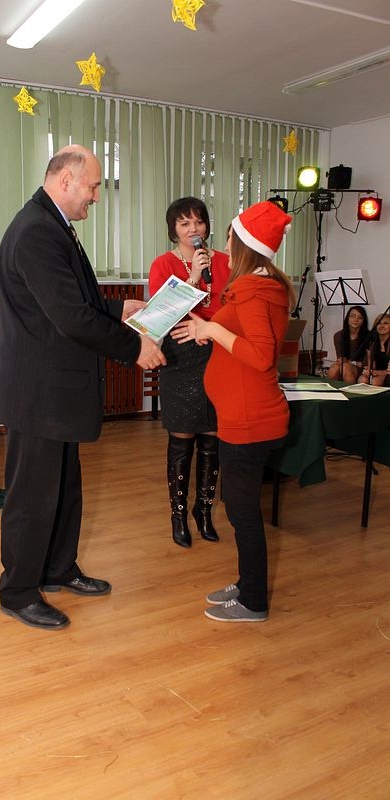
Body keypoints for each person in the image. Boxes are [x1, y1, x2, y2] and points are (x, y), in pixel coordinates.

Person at [0, 144, 166, 630]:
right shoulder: (35, 232)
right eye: (92, 186)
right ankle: (18, 591)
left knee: (64, 488)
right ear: (65, 180)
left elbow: (71, 301)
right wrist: (134, 348)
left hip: (56, 391)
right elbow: (69, 317)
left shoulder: (52, 223)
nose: (96, 196)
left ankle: (58, 568)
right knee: (32, 497)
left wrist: (119, 308)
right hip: (38, 393)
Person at [172, 200, 295, 622]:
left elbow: (260, 355)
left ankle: (253, 602)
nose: (223, 244)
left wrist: (212, 328)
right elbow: (243, 338)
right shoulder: (257, 285)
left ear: (244, 244)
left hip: (250, 419)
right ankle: (247, 583)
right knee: (241, 511)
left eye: (230, 237)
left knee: (243, 514)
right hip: (243, 415)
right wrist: (210, 331)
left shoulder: (254, 289)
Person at [148, 197, 230, 548]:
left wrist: (209, 328)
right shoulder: (163, 264)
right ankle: (178, 514)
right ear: (173, 230)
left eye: (198, 221)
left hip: (217, 352)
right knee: (182, 438)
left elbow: (232, 307)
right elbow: (159, 318)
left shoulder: (226, 261)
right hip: (180, 355)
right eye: (184, 223)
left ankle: (204, 510)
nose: (193, 228)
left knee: (212, 437)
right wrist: (193, 276)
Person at [327, 305, 369, 384]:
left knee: (346, 367)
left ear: (364, 321)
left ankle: (351, 391)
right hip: (345, 365)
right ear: (347, 318)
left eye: (360, 317)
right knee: (334, 368)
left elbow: (365, 363)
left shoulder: (369, 337)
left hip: (361, 369)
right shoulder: (339, 335)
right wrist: (342, 360)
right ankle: (328, 390)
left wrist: (351, 363)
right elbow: (340, 357)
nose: (356, 319)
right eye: (353, 316)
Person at [358, 311, 390, 387]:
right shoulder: (372, 341)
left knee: (375, 381)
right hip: (376, 372)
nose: (382, 326)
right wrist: (368, 370)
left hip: (387, 375)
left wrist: (376, 372)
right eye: (379, 323)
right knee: (362, 380)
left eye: (386, 323)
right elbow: (371, 365)